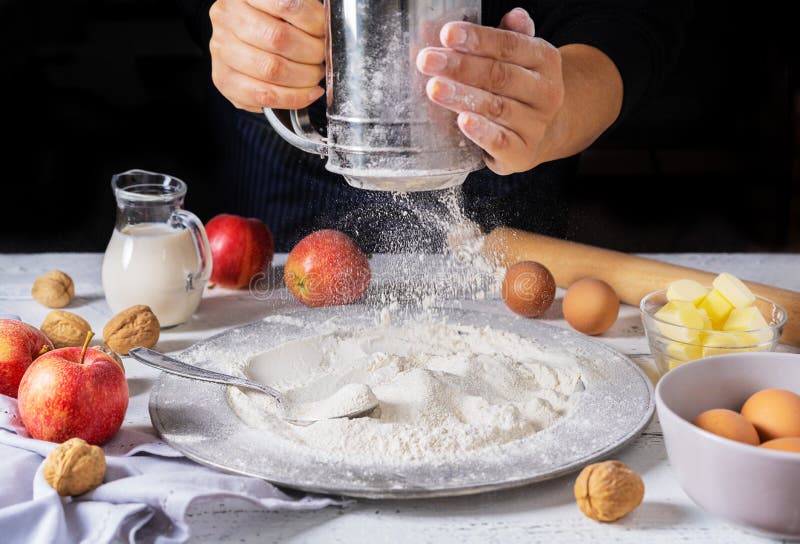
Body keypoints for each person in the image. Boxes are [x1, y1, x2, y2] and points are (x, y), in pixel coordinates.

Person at [177, 0, 691, 251]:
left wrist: (564, 104)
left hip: (505, 160)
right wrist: (245, 27)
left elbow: (634, 13)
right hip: (285, 172)